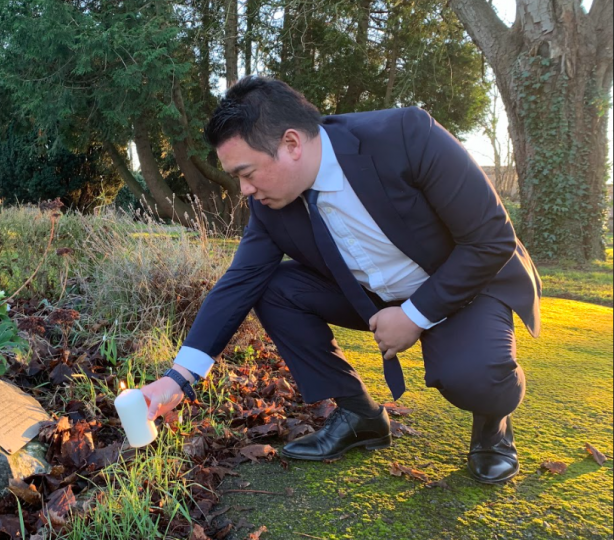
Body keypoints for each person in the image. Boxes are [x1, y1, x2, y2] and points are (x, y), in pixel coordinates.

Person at [140, 76, 541, 484]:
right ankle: (360, 415)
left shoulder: (406, 135)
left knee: (473, 378)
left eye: (246, 173)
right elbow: (240, 280)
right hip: (370, 296)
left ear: (292, 144)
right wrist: (179, 379)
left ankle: (493, 426)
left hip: (467, 283)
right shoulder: (271, 206)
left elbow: (491, 240)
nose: (244, 190)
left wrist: (415, 315)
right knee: (275, 288)